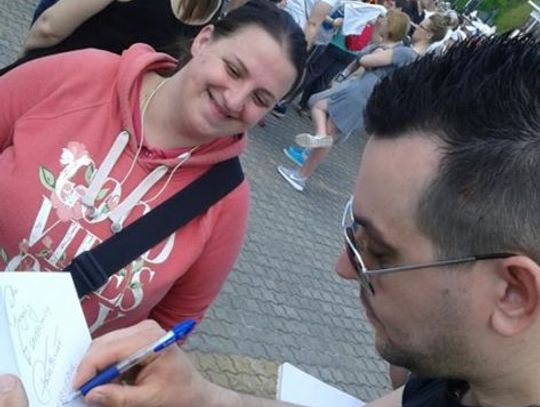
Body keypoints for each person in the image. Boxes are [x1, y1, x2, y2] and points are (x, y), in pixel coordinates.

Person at [2, 33, 540, 407]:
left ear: (513, 293)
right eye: (352, 229)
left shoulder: (226, 200)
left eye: (377, 251)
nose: (342, 268)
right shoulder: (452, 379)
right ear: (202, 41)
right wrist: (205, 396)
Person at [0, 0, 307, 337]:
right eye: (233, 70)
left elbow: (167, 332)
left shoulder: (225, 201)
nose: (235, 101)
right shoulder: (82, 75)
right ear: (203, 40)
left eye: (260, 99)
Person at [278, 9, 414, 192]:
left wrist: (372, 50)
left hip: (362, 93)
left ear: (391, 26)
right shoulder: (390, 47)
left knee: (329, 130)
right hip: (360, 90)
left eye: (385, 20)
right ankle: (316, 145)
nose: (380, 21)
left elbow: (365, 61)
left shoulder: (399, 51)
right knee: (319, 106)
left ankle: (301, 176)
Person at [0, 0, 226, 75]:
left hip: (55, 75)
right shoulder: (214, 6)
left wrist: (23, 58)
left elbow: (49, 28)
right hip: (100, 113)